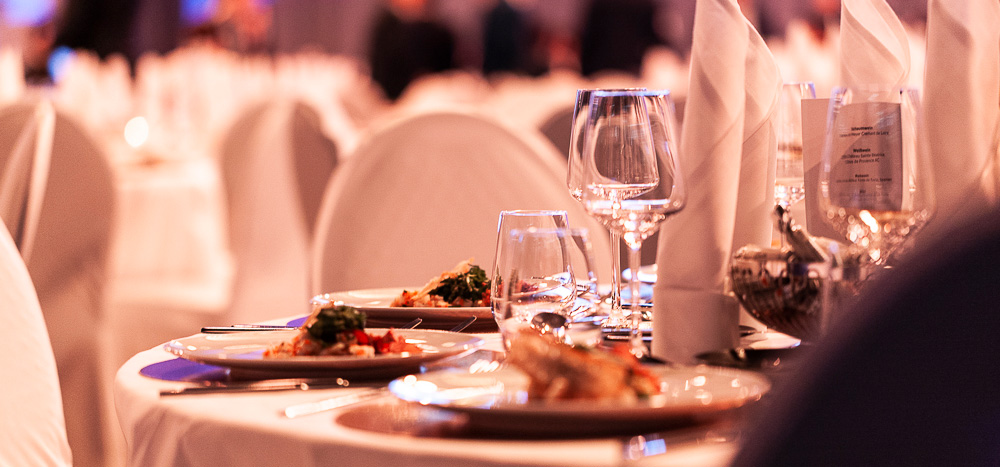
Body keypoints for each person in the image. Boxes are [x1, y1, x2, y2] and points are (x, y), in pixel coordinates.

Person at [368, 0, 455, 101]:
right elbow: (381, 82)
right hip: (395, 103)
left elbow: (446, 74)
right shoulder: (387, 30)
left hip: (437, 99)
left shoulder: (441, 33)